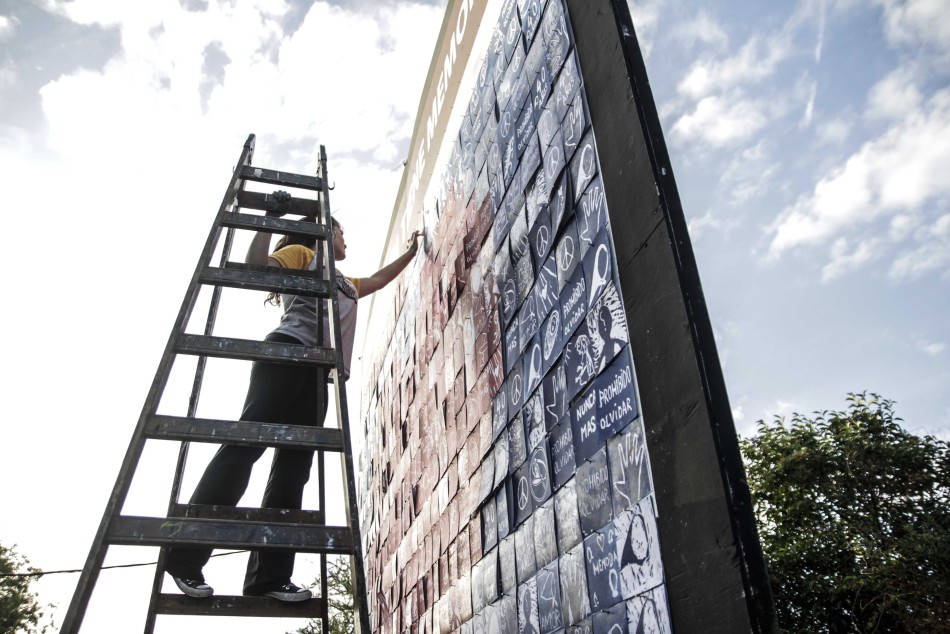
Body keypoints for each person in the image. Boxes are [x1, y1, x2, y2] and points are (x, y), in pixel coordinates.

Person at [164, 205, 421, 601]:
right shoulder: (303, 255)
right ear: (324, 232)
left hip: (318, 372)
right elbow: (256, 269)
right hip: (286, 354)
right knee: (244, 450)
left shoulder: (346, 282)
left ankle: (268, 579)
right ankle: (184, 559)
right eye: (341, 232)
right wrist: (269, 220)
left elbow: (379, 279)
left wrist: (411, 251)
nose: (346, 240)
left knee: (292, 472)